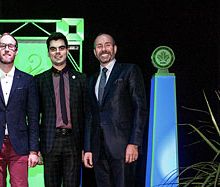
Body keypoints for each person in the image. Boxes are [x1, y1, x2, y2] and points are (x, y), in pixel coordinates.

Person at [83, 33, 148, 187]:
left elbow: (140, 108)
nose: (103, 49)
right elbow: (89, 116)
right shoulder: (91, 80)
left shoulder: (129, 70)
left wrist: (134, 143)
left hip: (123, 147)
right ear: (94, 52)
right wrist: (87, 148)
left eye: (107, 45)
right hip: (98, 151)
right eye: (99, 46)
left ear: (115, 48)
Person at [0, 33, 39, 187]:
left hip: (20, 146)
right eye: (3, 46)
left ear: (16, 51)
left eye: (10, 46)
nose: (6, 49)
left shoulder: (27, 80)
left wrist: (33, 151)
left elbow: (33, 117)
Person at [35, 32, 87, 187]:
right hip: (50, 142)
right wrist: (36, 147)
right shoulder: (39, 80)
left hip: (74, 142)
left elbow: (87, 116)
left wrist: (86, 147)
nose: (57, 52)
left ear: (67, 51)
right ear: (48, 53)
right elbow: (33, 116)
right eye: (53, 49)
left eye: (61, 48)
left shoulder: (81, 79)